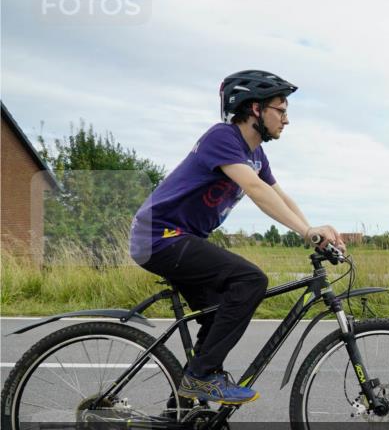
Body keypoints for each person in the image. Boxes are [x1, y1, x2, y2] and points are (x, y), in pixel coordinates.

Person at [129, 70, 344, 404]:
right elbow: (256, 190)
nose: (286, 119)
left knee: (216, 314)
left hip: (181, 238)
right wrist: (306, 232)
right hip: (159, 236)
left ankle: (185, 411)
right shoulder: (223, 138)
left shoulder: (256, 155)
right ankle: (201, 379)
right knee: (250, 280)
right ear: (255, 109)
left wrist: (314, 232)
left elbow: (280, 196)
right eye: (281, 110)